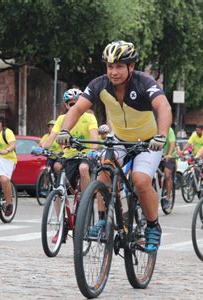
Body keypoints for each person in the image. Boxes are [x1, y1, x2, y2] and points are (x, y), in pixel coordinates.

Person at [55, 40, 172, 253]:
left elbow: (163, 107)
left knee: (140, 180)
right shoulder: (99, 85)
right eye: (110, 66)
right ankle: (102, 221)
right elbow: (77, 108)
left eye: (119, 66)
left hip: (148, 143)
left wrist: (161, 135)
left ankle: (153, 226)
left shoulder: (144, 83)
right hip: (119, 139)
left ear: (131, 67)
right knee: (103, 171)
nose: (113, 72)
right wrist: (65, 131)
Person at [40, 88, 98, 193]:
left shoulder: (89, 117)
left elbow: (94, 136)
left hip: (86, 155)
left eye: (78, 104)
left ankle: (85, 201)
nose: (75, 107)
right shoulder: (62, 118)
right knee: (57, 189)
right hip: (69, 156)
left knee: (83, 168)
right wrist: (43, 148)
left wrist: (93, 150)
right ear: (66, 105)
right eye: (71, 104)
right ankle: (60, 203)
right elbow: (52, 135)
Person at [161, 127, 176, 208]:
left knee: (167, 175)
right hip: (157, 155)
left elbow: (172, 143)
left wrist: (169, 154)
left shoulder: (169, 130)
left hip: (169, 156)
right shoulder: (153, 128)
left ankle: (168, 197)